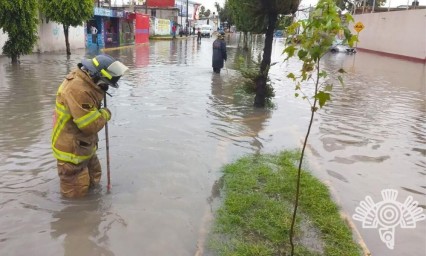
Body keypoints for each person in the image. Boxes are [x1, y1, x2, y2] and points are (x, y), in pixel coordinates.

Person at [51, 54, 129, 198]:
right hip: (72, 153)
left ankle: (94, 214)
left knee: (94, 180)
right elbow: (90, 125)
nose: (106, 87)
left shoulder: (86, 79)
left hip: (84, 146)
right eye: (105, 83)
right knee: (76, 196)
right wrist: (105, 114)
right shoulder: (78, 89)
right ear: (96, 75)